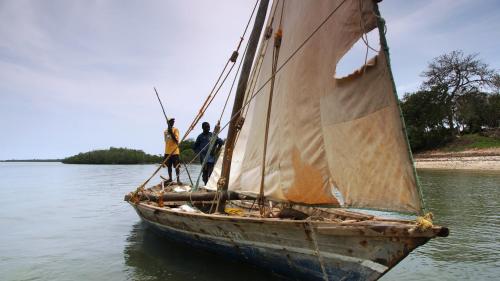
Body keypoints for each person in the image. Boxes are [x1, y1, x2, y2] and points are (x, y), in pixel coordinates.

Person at [164, 118, 181, 184]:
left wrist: (171, 133)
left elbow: (176, 140)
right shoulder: (165, 131)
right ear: (168, 123)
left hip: (175, 151)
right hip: (167, 151)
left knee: (177, 166)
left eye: (173, 121)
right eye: (171, 121)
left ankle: (178, 180)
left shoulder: (175, 130)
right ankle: (170, 179)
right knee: (169, 166)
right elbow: (166, 141)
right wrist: (169, 132)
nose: (173, 122)